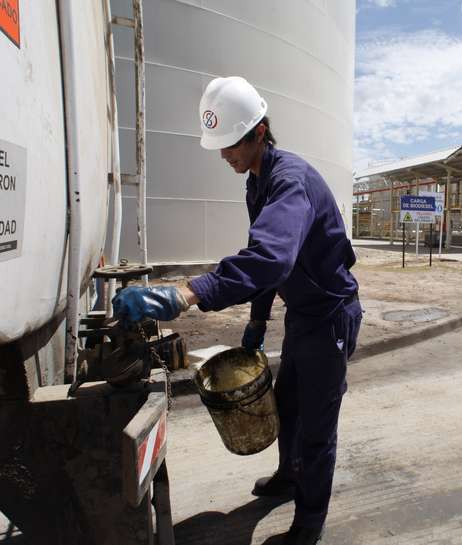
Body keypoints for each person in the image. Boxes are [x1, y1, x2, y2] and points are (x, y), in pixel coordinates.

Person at [113, 76, 361, 545]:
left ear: (260, 132)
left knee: (317, 427)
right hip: (305, 317)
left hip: (331, 317)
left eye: (231, 143)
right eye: (219, 145)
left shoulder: (290, 182)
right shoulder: (257, 183)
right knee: (287, 404)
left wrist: (186, 294)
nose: (224, 153)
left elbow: (272, 258)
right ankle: (290, 478)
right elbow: (265, 256)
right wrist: (257, 319)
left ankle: (308, 526)